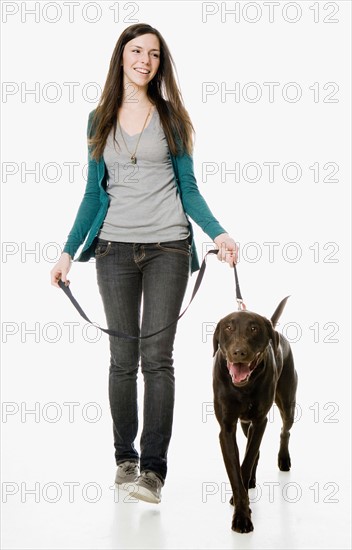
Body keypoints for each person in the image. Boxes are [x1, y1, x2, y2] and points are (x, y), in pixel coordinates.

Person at [50, 23, 238, 504]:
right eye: (136, 51)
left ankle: (153, 471)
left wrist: (218, 232)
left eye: (154, 54)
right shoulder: (98, 119)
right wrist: (68, 252)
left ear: (160, 63)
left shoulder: (173, 118)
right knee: (122, 360)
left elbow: (188, 188)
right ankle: (124, 460)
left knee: (157, 361)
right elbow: (94, 194)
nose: (144, 60)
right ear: (121, 57)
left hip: (169, 249)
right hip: (112, 250)